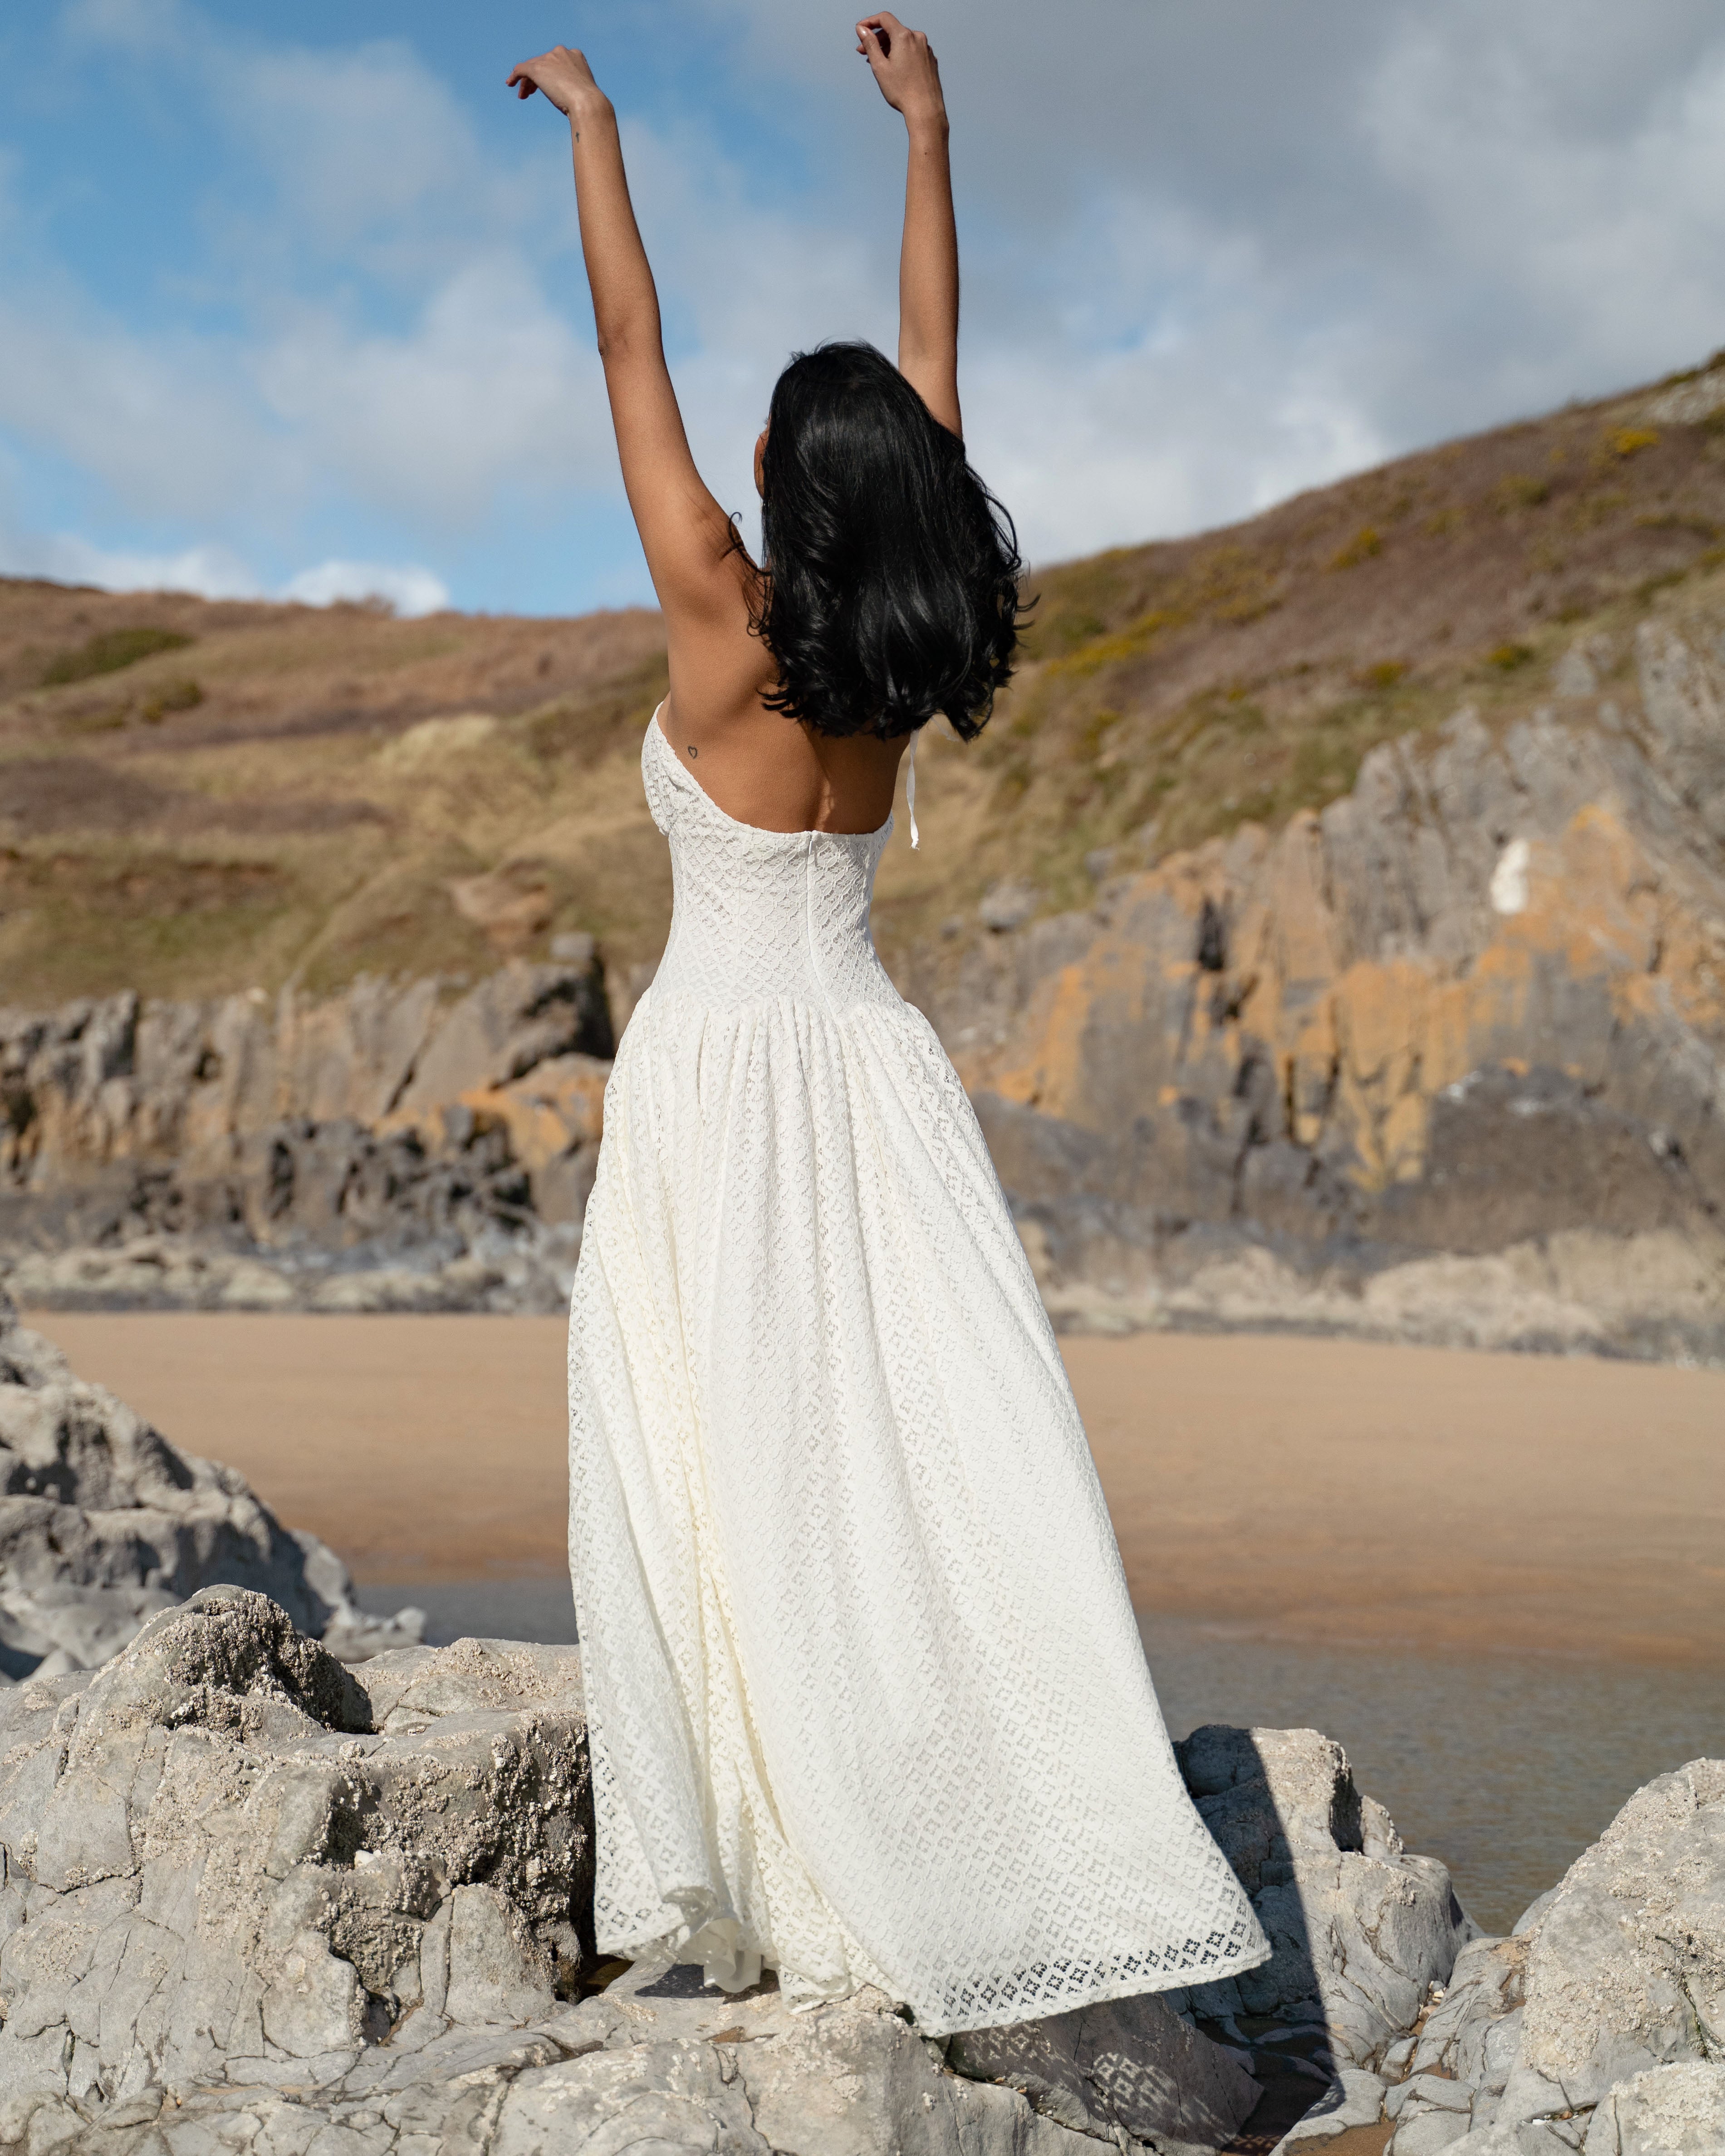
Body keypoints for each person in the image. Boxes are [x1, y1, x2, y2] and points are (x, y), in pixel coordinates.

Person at [508, 16, 1269, 2036]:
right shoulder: (895, 645)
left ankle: (781, 1858)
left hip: (713, 1082)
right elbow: (937, 380)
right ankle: (992, 1802)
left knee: (719, 1464)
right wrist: (931, 128)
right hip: (872, 1064)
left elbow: (620, 343)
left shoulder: (718, 612)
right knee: (922, 1464)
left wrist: (595, 125)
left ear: (774, 480)